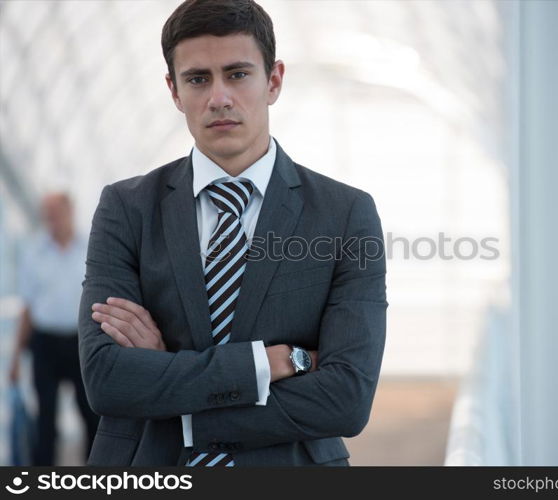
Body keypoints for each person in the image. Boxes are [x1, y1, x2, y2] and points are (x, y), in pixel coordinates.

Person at [78, 0, 387, 466]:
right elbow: (107, 379)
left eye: (238, 74)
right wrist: (270, 364)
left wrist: (175, 400)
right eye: (197, 79)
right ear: (174, 90)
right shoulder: (126, 208)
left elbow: (346, 397)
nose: (218, 98)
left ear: (274, 80)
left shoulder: (345, 215)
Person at [9, 192, 99, 465]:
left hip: (81, 342)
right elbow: (27, 307)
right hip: (45, 343)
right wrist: (16, 357)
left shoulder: (91, 247)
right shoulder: (34, 251)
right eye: (46, 215)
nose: (51, 220)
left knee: (91, 413)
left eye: (55, 213)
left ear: (70, 210)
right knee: (45, 416)